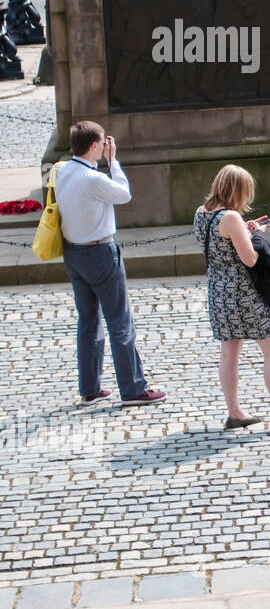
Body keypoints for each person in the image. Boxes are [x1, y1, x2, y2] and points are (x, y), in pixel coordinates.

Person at [194, 164, 270, 431]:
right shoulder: (230, 218)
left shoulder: (201, 213)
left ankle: (234, 412)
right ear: (237, 190)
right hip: (243, 293)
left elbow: (223, 244)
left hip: (218, 290)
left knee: (229, 350)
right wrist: (257, 235)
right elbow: (249, 259)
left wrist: (245, 231)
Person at [58, 122, 166, 407]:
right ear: (94, 146)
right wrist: (113, 161)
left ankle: (90, 389)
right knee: (120, 321)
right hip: (100, 254)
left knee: (88, 321)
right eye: (101, 145)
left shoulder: (63, 170)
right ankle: (132, 389)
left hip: (74, 254)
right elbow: (124, 194)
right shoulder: (93, 178)